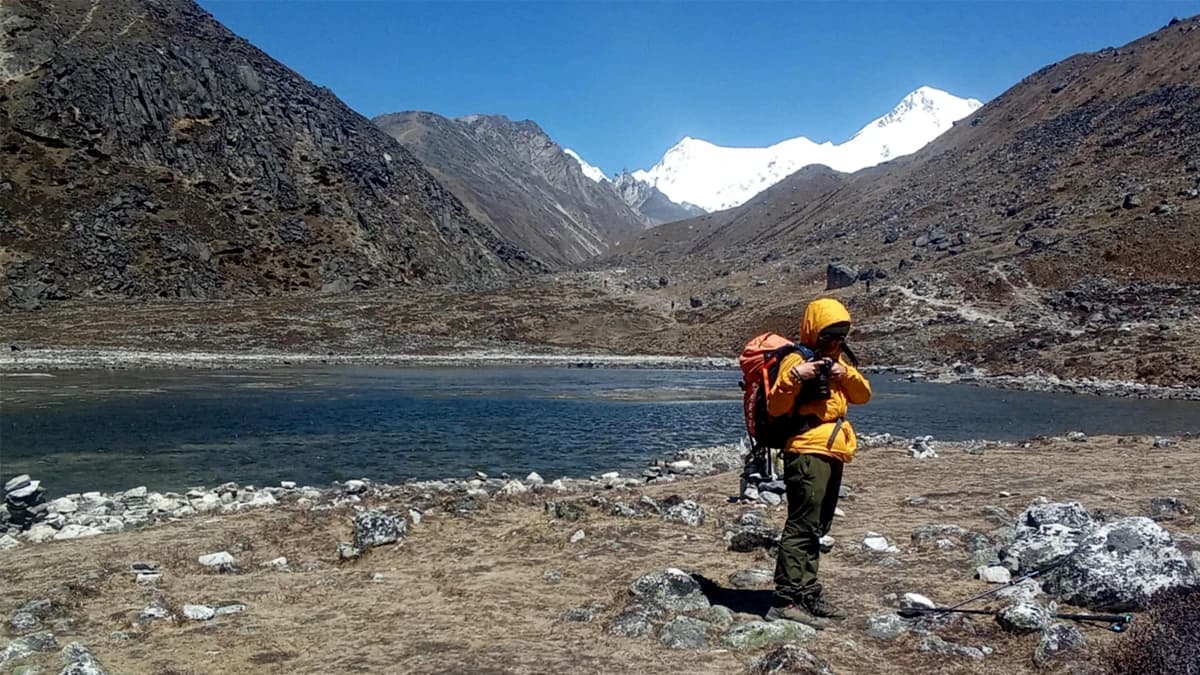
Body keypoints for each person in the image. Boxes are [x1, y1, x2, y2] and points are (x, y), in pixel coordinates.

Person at [764, 297, 871, 628]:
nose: (835, 342)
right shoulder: (796, 359)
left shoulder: (838, 361)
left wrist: (844, 373)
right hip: (807, 451)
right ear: (814, 331)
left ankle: (807, 592)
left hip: (832, 451)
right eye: (829, 335)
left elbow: (863, 395)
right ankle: (784, 599)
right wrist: (796, 375)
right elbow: (776, 407)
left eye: (841, 336)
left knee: (817, 527)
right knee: (801, 526)